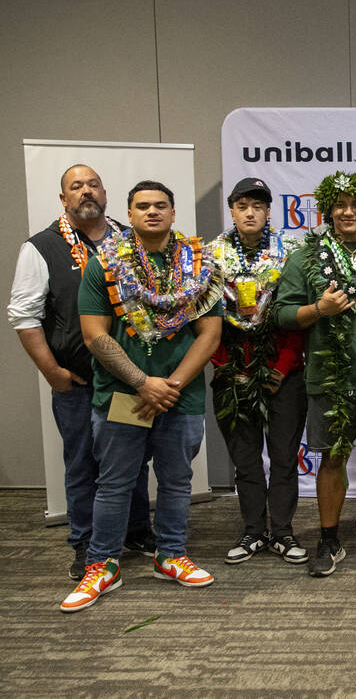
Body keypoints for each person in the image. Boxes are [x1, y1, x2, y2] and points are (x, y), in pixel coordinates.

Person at [62, 180, 223, 612]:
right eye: (142, 206)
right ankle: (102, 564)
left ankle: (170, 555)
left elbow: (209, 335)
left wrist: (168, 385)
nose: (152, 212)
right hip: (123, 394)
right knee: (114, 483)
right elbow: (95, 335)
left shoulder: (201, 266)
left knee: (176, 480)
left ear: (173, 213)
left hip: (178, 396)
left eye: (161, 206)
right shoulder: (105, 266)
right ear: (128, 214)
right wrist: (142, 382)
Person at [8, 164, 154, 581]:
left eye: (93, 185)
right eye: (76, 187)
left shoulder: (132, 240)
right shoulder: (41, 248)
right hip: (77, 383)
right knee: (82, 464)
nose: (86, 192)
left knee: (130, 460)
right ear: (63, 199)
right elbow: (24, 316)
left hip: (126, 379)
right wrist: (51, 371)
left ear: (106, 193)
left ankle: (137, 531)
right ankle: (86, 544)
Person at [273, 171, 356, 577]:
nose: (348, 212)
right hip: (329, 378)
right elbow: (281, 314)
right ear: (329, 210)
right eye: (340, 205)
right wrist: (318, 311)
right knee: (331, 458)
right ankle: (329, 539)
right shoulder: (305, 257)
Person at [209, 178, 307, 565]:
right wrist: (225, 367)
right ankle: (253, 530)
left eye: (259, 206)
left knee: (283, 456)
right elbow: (204, 317)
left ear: (269, 212)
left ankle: (282, 531)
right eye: (243, 205)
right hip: (230, 372)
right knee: (245, 458)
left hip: (282, 372)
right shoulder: (210, 255)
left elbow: (297, 317)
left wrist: (282, 368)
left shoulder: (291, 252)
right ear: (232, 210)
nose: (250, 213)